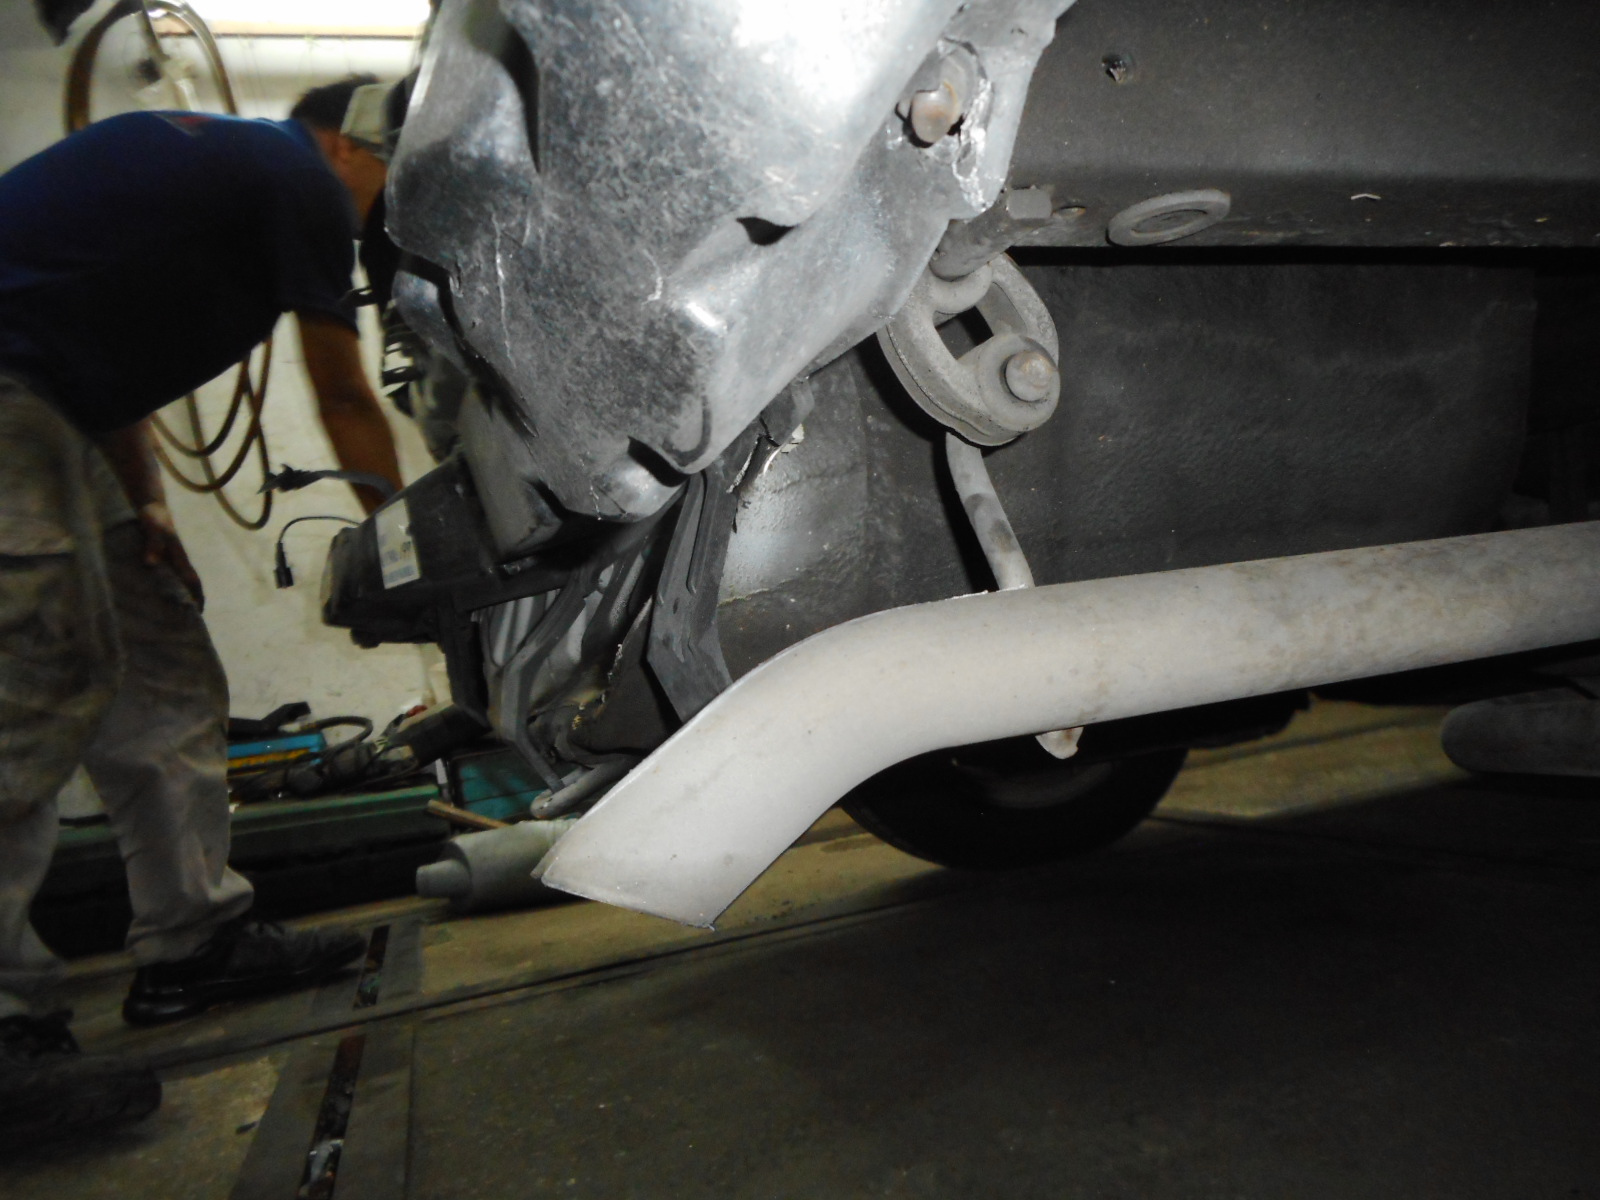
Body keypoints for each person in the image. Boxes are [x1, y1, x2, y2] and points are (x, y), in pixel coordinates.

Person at [0, 77, 405, 1146]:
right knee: (25, 692)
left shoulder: (223, 176)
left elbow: (99, 360)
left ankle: (192, 944)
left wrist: (145, 503)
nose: (389, 209)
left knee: (162, 662)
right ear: (346, 145)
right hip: (8, 399)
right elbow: (344, 393)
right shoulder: (296, 178)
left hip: (54, 407)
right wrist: (411, 545)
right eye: (394, 177)